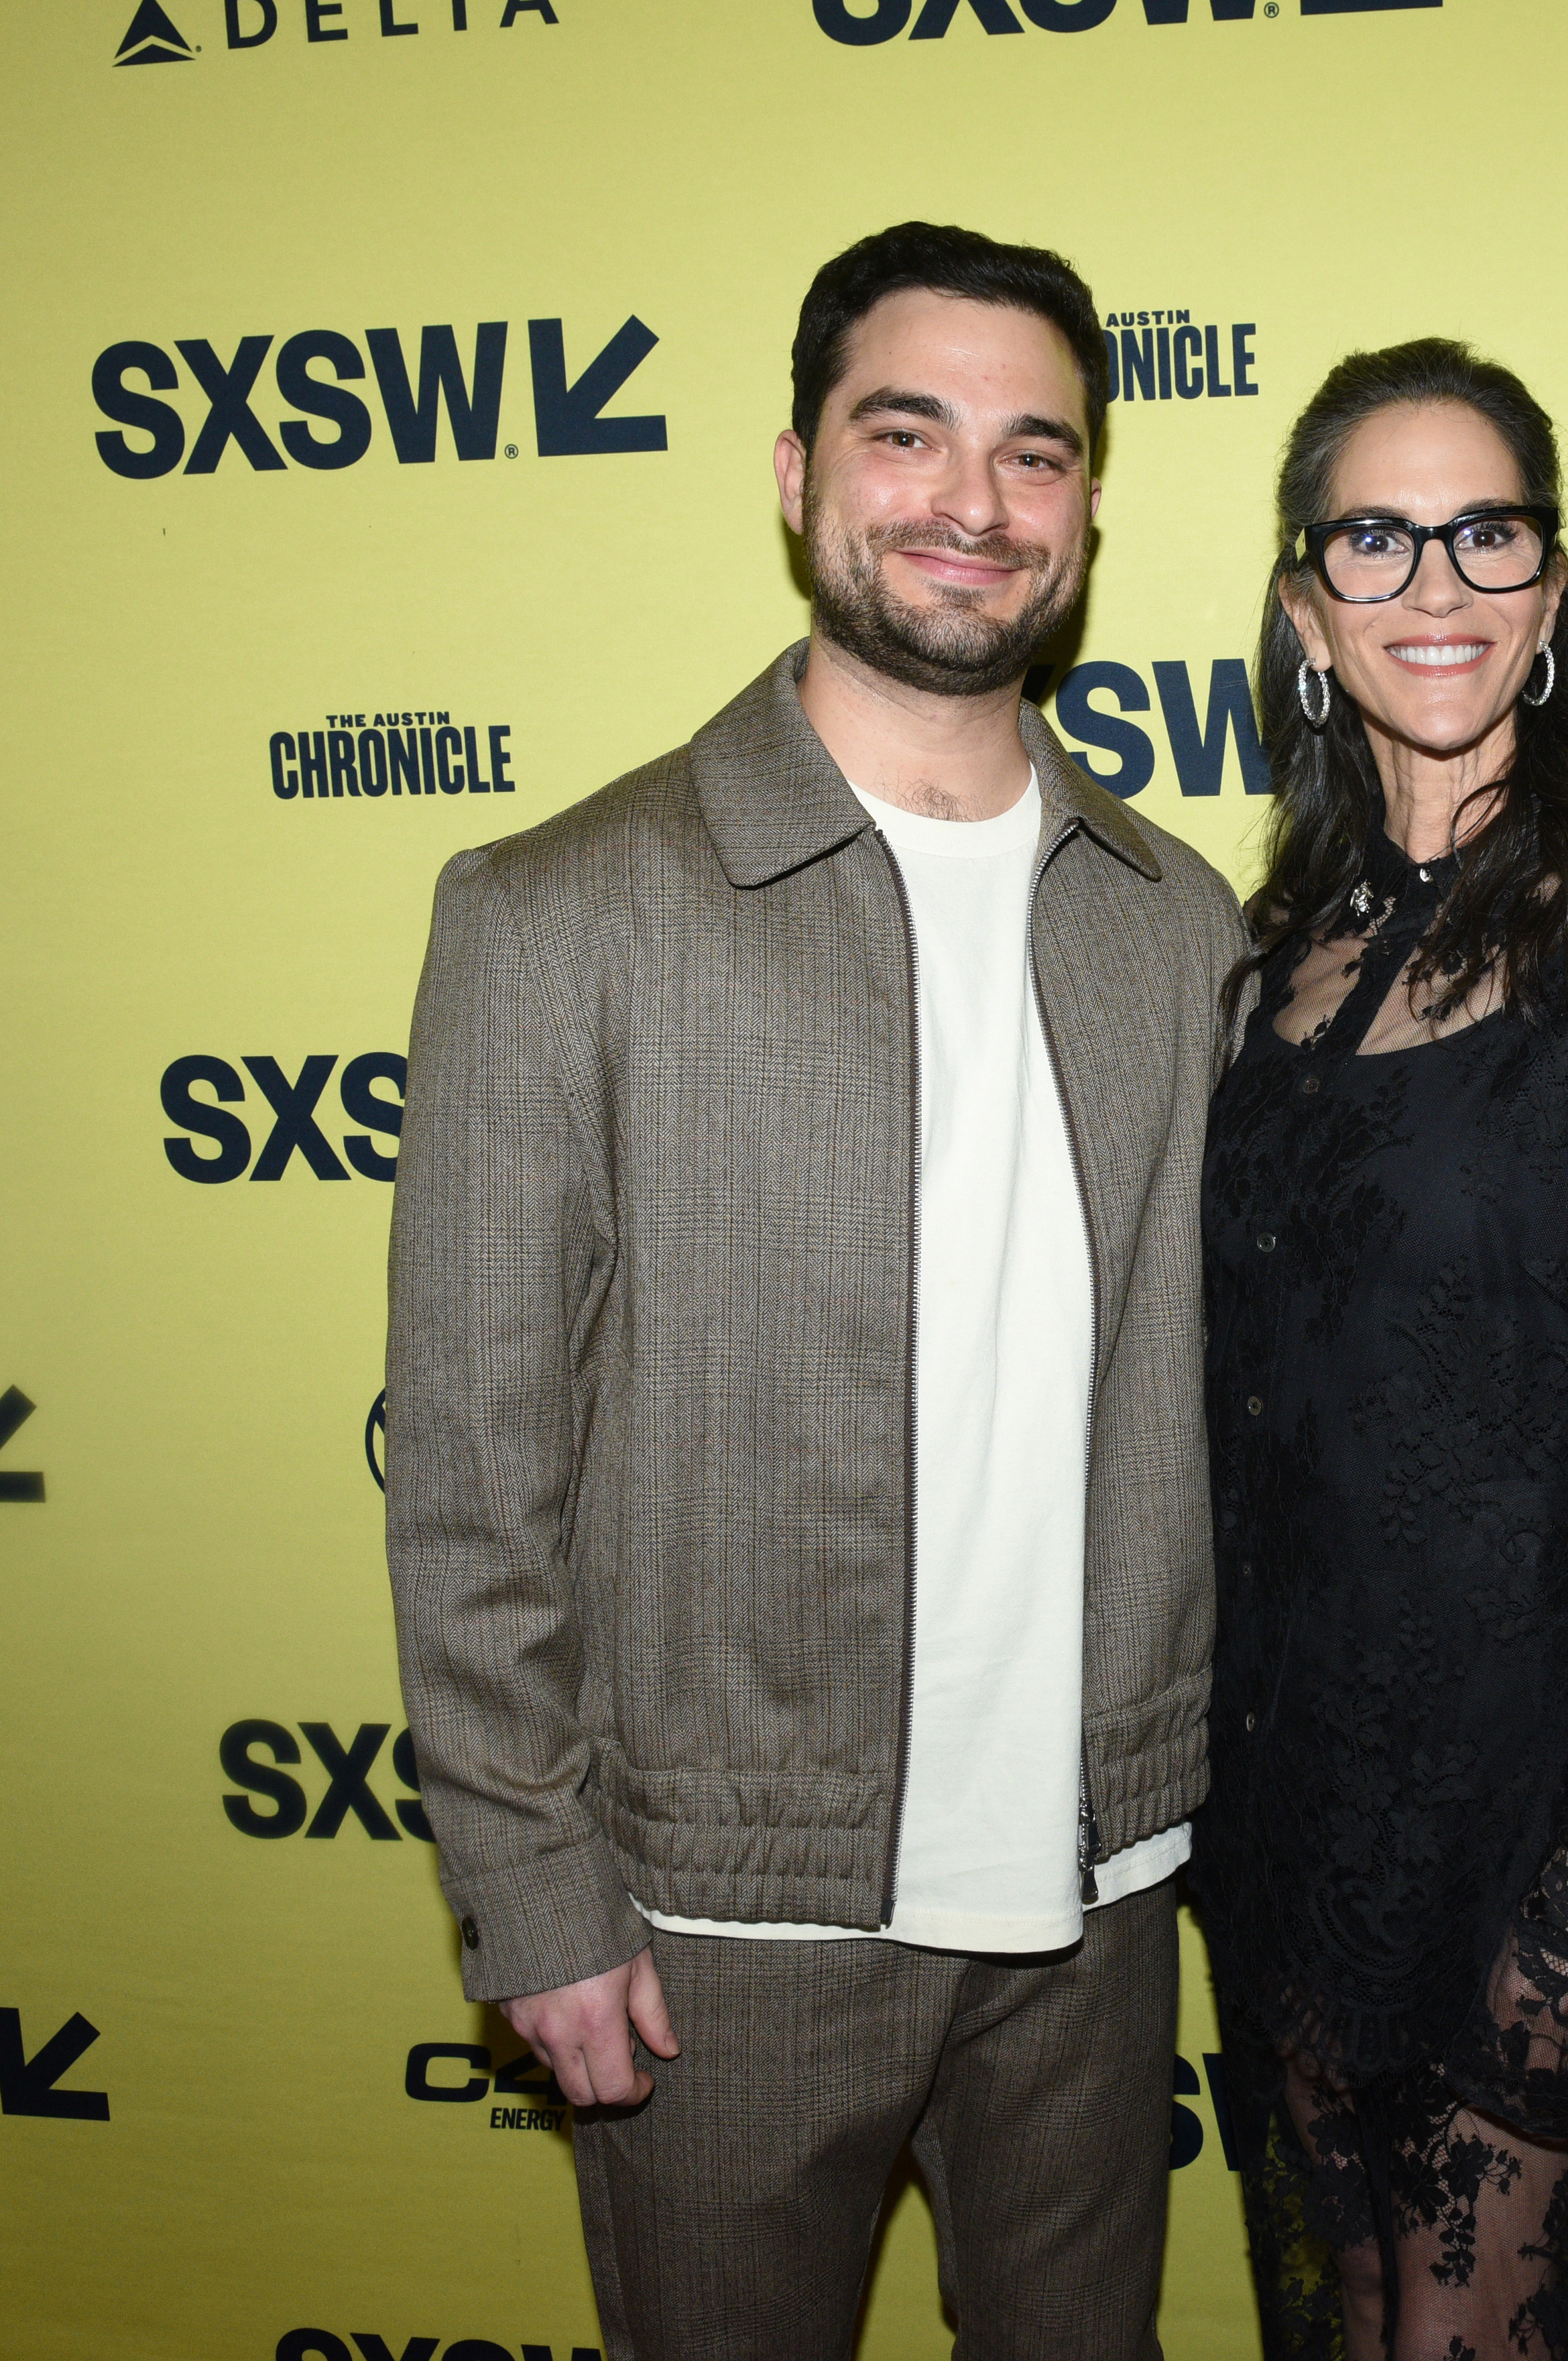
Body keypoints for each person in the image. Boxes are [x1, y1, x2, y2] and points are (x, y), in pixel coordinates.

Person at [383, 221, 1247, 2360]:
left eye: (1034, 453)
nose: (973, 501)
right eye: (907, 432)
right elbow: (474, 1465)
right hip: (712, 1929)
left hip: (1100, 1904)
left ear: (1090, 509)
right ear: (795, 473)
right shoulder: (561, 912)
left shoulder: (1180, 927)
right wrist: (536, 1889)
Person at [1191, 339, 1568, 2361]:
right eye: (1376, 537)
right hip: (1281, 1819)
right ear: (1302, 605)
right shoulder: (1266, 961)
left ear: (1546, 593)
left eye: (1484, 533)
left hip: (1525, 1822)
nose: (1433, 584)